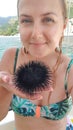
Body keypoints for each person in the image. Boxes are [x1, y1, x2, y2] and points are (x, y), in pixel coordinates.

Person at [0, 0, 73, 130]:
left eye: (48, 19)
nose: (36, 34)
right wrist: (3, 86)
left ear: (63, 25)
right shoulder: (11, 58)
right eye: (26, 20)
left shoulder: (70, 69)